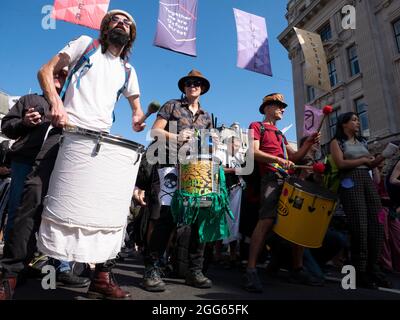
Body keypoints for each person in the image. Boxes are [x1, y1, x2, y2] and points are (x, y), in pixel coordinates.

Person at [0, 9, 145, 300]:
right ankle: (10, 275)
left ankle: (101, 277)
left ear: (131, 36)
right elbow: (45, 70)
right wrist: (56, 103)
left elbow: (136, 105)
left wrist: (138, 116)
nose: (121, 23)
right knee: (33, 198)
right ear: (105, 27)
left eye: (127, 22)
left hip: (100, 144)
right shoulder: (85, 44)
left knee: (111, 209)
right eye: (115, 20)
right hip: (64, 134)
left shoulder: (128, 71)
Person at [0, 69, 90, 288]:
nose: (60, 76)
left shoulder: (76, 105)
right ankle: (13, 268)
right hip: (26, 163)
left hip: (63, 168)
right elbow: (7, 127)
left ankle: (62, 267)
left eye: (65, 74)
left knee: (61, 216)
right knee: (20, 214)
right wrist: (24, 122)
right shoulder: (30, 99)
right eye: (56, 73)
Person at [142, 69, 213, 292]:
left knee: (198, 218)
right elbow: (154, 132)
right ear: (184, 87)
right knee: (167, 217)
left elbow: (208, 144)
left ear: (202, 88)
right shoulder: (171, 105)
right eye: (190, 83)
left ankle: (194, 270)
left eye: (198, 83)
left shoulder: (207, 116)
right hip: (170, 165)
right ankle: (151, 269)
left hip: (196, 169)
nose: (193, 85)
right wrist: (176, 136)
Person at [243, 93, 321, 293]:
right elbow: (253, 153)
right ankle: (251, 270)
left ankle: (297, 268)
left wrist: (308, 143)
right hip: (270, 178)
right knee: (266, 221)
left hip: (286, 180)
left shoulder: (280, 133)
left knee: (295, 223)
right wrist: (277, 160)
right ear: (268, 107)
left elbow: (295, 156)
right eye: (279, 105)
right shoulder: (256, 126)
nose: (283, 109)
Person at [329, 112, 392, 288]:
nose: (357, 122)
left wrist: (384, 155)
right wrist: (363, 159)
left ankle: (374, 268)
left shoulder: (363, 142)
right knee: (360, 227)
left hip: (368, 182)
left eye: (358, 120)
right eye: (354, 120)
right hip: (350, 184)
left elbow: (371, 164)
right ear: (344, 124)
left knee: (377, 224)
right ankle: (360, 271)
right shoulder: (337, 142)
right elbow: (341, 164)